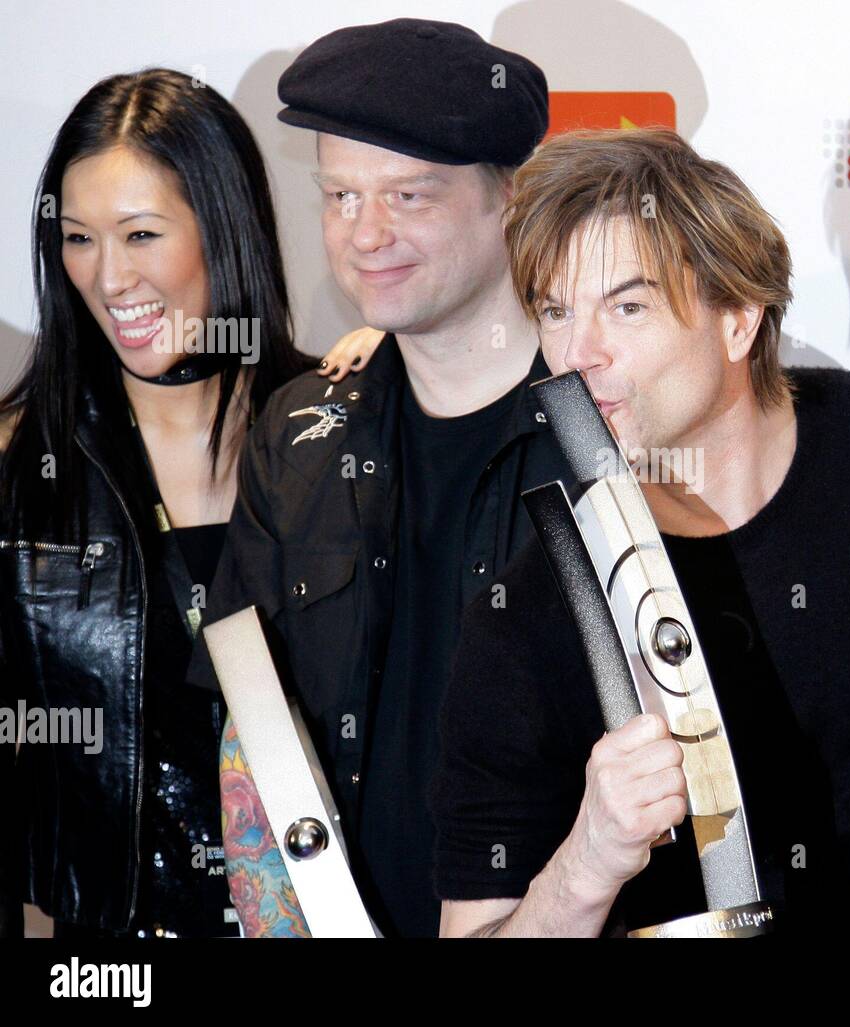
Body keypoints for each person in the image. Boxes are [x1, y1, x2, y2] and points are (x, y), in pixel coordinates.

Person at [432, 127, 850, 938]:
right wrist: (591, 857)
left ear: (738, 319)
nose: (575, 355)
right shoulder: (531, 612)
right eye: (554, 312)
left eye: (628, 306)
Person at [193, 19, 571, 938]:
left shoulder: (607, 436)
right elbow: (251, 729)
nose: (368, 234)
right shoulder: (297, 434)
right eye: (340, 195)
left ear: (508, 202)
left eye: (409, 194)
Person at [0, 68, 377, 938]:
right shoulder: (20, 472)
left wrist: (413, 368)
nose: (109, 277)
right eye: (80, 238)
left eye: (140, 234)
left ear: (224, 225)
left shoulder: (350, 432)